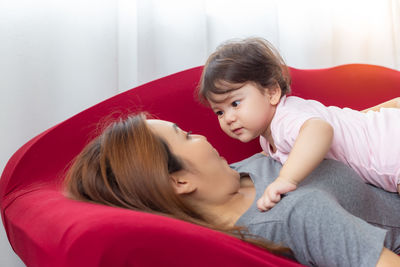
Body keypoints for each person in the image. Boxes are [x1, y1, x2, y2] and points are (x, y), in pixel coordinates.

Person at [64, 114, 400, 267]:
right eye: (187, 136)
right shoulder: (293, 213)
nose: (205, 137)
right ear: (179, 182)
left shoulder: (239, 173)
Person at [198, 37, 400, 211]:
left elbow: (319, 129)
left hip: (390, 148)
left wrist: (286, 179)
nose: (228, 118)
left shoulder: (285, 120)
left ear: (272, 92)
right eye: (220, 112)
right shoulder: (268, 136)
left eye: (235, 103)